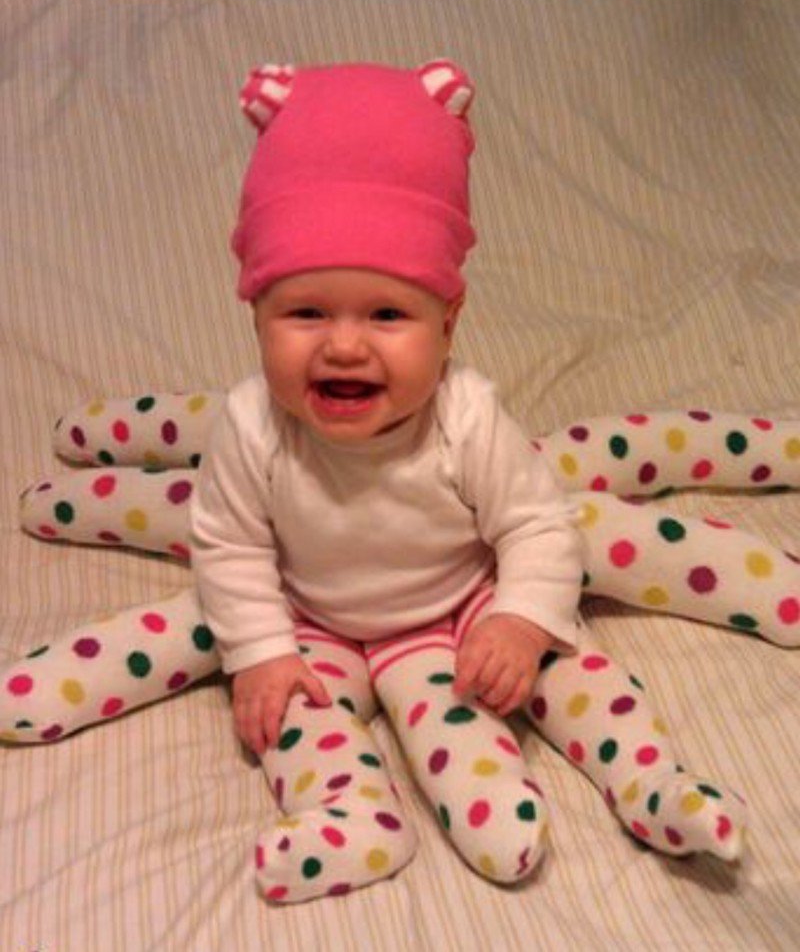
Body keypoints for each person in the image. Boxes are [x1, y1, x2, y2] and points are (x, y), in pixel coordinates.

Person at [186, 59, 747, 904]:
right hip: (313, 624)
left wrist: (519, 619)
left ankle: (656, 785)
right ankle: (352, 816)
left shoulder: (468, 416)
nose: (344, 345)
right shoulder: (250, 424)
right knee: (284, 713)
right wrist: (261, 651)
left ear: (449, 324)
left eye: (388, 314)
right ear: (256, 317)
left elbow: (537, 525)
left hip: (466, 604)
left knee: (577, 674)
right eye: (304, 312)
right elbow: (229, 545)